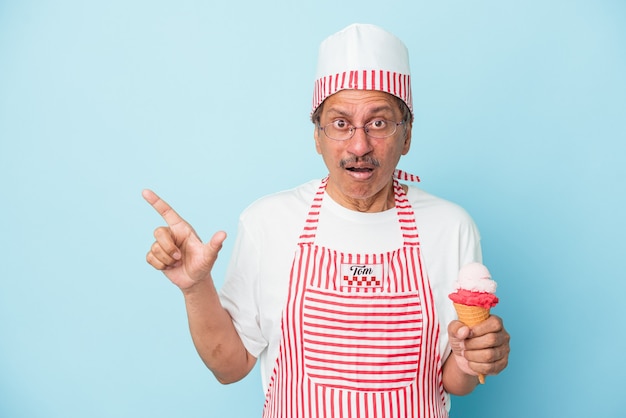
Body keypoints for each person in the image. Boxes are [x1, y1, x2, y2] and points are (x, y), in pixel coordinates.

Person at [144, 23, 510, 417]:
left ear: (407, 136)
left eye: (379, 122)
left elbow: (454, 381)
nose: (359, 145)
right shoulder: (269, 221)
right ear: (317, 137)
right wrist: (196, 288)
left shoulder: (450, 226)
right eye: (340, 123)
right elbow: (230, 367)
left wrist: (477, 357)